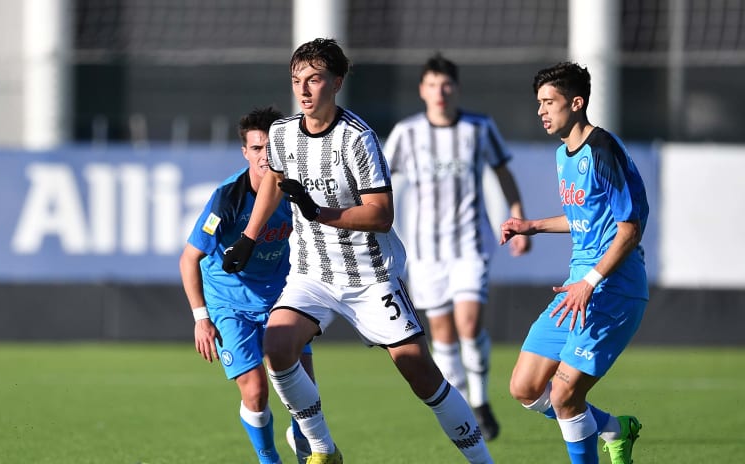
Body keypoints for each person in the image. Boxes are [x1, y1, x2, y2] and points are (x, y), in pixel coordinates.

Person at [222, 38, 494, 464]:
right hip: (313, 274)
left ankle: (482, 460)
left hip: (371, 277)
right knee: (276, 346)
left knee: (421, 375)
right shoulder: (281, 133)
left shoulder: (357, 138)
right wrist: (249, 238)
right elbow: (274, 182)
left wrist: (319, 212)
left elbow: (381, 215)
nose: (304, 90)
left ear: (337, 82)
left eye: (314, 80)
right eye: (297, 81)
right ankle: (323, 450)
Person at [500, 62, 648, 464]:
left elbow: (629, 228)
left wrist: (592, 281)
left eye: (549, 102)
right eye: (539, 103)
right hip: (577, 288)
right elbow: (583, 217)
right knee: (526, 387)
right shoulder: (564, 155)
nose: (541, 111)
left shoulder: (602, 151)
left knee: (565, 395)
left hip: (613, 289)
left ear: (577, 102)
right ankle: (616, 429)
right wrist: (533, 225)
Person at [383, 53, 531, 441]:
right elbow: (379, 177)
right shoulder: (407, 132)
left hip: (470, 243)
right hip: (426, 251)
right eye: (432, 85)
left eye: (446, 84)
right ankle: (465, 406)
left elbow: (502, 170)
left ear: (456, 88)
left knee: (469, 323)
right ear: (422, 90)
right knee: (443, 333)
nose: (440, 92)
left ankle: (481, 402)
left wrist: (518, 215)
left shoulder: (479, 128)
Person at [179, 106, 314, 464]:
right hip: (230, 303)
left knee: (304, 392)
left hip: (282, 298)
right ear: (245, 152)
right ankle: (269, 458)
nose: (265, 156)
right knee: (256, 391)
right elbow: (188, 259)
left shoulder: (294, 191)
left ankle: (305, 445)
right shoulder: (228, 199)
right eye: (256, 149)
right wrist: (201, 318)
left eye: (271, 146)